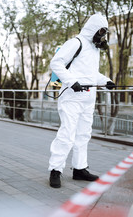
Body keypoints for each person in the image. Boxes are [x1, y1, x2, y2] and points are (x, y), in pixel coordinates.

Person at [48, 13, 115, 188]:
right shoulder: (75, 43)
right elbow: (56, 63)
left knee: (83, 135)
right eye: (100, 31)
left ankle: (79, 169)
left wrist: (105, 81)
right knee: (67, 134)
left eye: (104, 32)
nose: (101, 35)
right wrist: (71, 82)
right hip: (71, 97)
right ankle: (56, 170)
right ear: (92, 28)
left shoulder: (94, 50)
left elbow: (90, 74)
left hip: (88, 98)